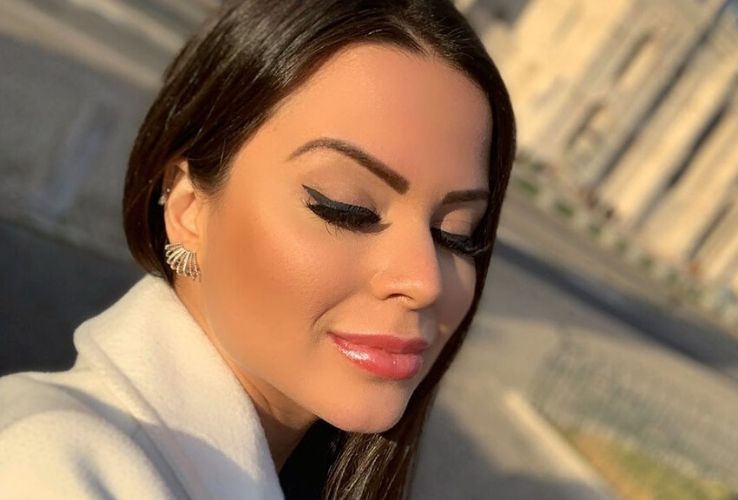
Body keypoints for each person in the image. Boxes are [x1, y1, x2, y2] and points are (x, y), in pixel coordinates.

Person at [0, 0, 516, 498]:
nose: (424, 281)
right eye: (345, 208)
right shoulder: (50, 471)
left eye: (457, 234)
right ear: (187, 207)